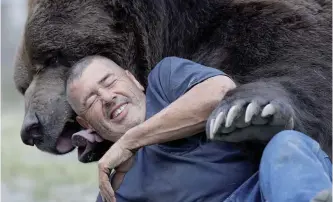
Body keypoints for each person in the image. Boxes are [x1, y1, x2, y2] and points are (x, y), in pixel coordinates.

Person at [66, 56, 332, 202]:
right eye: (91, 101)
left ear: (133, 79)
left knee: (286, 145)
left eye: (110, 82)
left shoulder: (165, 79)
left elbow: (220, 91)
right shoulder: (113, 190)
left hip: (267, 191)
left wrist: (130, 141)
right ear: (87, 124)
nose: (108, 97)